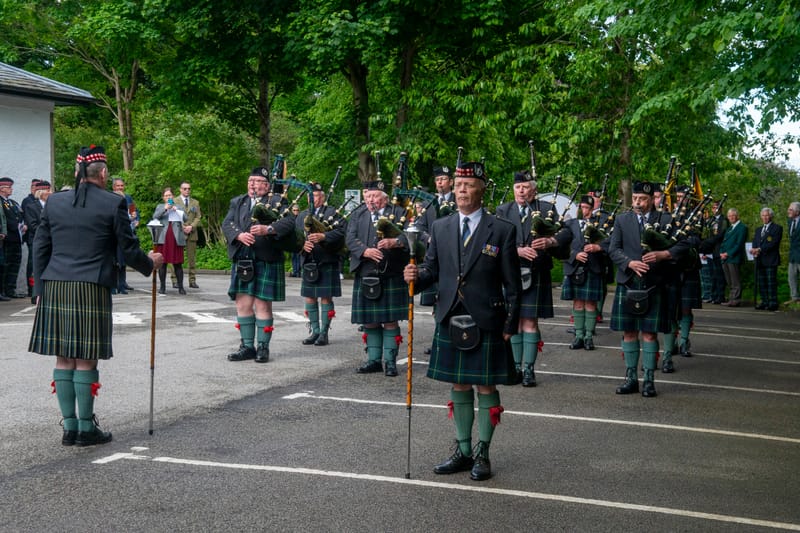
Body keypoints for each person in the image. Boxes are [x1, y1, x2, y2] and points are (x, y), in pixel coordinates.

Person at [28, 145, 163, 447]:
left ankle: (70, 427)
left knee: (63, 358)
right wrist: (150, 263)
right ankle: (86, 429)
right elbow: (128, 250)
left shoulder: (54, 202)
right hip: (91, 286)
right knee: (85, 360)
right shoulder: (113, 202)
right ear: (103, 173)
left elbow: (40, 247)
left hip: (55, 285)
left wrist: (38, 289)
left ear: (77, 172)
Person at [403, 161, 520, 481]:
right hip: (450, 315)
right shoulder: (441, 227)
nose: (461, 190)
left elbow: (513, 284)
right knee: (458, 383)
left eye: (468, 186)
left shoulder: (502, 229)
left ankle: (483, 452)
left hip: (487, 316)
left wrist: (510, 325)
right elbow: (431, 271)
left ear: (481, 190)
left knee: (485, 384)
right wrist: (415, 277)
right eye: (457, 186)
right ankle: (463, 450)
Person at [608, 181, 689, 398]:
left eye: (642, 199)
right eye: (634, 199)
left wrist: (664, 254)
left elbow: (685, 244)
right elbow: (613, 249)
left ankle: (649, 381)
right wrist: (629, 263)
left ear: (652, 199)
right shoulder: (622, 220)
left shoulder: (665, 219)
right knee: (629, 333)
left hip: (654, 283)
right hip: (629, 280)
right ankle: (631, 378)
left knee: (650, 334)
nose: (637, 203)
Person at [222, 167, 296, 363]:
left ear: (267, 185)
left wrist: (268, 229)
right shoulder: (238, 202)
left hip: (266, 258)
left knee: (263, 304)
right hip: (243, 258)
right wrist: (238, 235)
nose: (252, 184)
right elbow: (227, 223)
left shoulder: (278, 202)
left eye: (257, 181)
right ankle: (247, 346)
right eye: (250, 180)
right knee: (243, 303)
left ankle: (263, 347)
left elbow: (290, 223)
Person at [495, 171, 561, 387]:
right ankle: (514, 367)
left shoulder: (546, 209)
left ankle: (529, 369)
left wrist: (550, 242)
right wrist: (517, 251)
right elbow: (493, 243)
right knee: (514, 319)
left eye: (525, 187)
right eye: (517, 187)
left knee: (530, 321)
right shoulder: (503, 210)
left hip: (536, 271)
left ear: (534, 189)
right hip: (510, 272)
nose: (521, 191)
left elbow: (566, 234)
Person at [345, 179, 410, 377]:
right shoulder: (358, 214)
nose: (370, 200)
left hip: (391, 272)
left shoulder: (400, 213)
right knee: (370, 320)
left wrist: (396, 242)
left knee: (390, 320)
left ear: (384, 198)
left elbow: (412, 236)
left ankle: (390, 362)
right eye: (367, 196)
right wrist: (365, 251)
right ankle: (373, 360)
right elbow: (349, 239)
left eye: (374, 196)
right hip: (366, 272)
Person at [296, 182, 346, 346]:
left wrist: (324, 237)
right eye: (311, 196)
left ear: (323, 197)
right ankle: (314, 331)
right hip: (309, 261)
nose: (313, 199)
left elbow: (341, 233)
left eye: (316, 196)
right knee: (310, 297)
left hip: (327, 260)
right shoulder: (301, 215)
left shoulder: (333, 213)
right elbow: (295, 237)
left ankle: (324, 332)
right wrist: (302, 245)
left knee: (326, 297)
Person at [559, 195, 607, 351]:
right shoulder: (569, 224)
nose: (585, 211)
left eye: (588, 208)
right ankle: (578, 336)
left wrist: (597, 247)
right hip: (575, 268)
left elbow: (610, 244)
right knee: (578, 303)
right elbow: (560, 245)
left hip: (593, 268)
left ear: (593, 209)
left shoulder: (600, 225)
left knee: (591, 304)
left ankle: (588, 337)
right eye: (583, 207)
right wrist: (574, 255)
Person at [152, 187, 188, 295]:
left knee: (178, 264)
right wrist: (165, 209)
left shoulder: (179, 207)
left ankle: (181, 287)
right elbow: (155, 217)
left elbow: (185, 218)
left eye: (170, 195)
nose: (168, 197)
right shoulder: (160, 206)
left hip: (176, 239)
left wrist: (176, 210)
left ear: (173, 196)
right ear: (163, 198)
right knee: (162, 264)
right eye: (166, 196)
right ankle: (162, 287)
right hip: (163, 239)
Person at [23, 181, 52, 303]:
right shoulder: (31, 207)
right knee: (36, 267)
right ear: (41, 192)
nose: (51, 193)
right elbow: (32, 225)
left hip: (50, 240)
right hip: (36, 240)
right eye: (48, 191)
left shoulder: (52, 205)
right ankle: (34, 292)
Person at [170, 181, 202, 289]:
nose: (187, 190)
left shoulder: (195, 202)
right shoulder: (174, 201)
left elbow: (198, 217)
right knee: (176, 258)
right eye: (185, 188)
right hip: (178, 232)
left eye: (189, 189)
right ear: (180, 189)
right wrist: (183, 226)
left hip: (192, 233)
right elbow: (171, 216)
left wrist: (191, 226)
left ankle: (192, 281)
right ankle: (175, 280)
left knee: (192, 259)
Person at [111, 178, 140, 294]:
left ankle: (122, 285)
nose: (120, 188)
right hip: (113, 235)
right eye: (118, 186)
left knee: (122, 261)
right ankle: (113, 285)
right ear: (113, 187)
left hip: (125, 234)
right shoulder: (109, 197)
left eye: (122, 186)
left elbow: (134, 211)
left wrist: (136, 218)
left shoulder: (128, 198)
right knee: (113, 262)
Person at [750, 207, 782, 311]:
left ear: (771, 216)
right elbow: (755, 241)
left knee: (771, 283)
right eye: (763, 215)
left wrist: (759, 249)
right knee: (762, 283)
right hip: (760, 260)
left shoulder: (777, 228)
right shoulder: (758, 230)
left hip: (771, 260)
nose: (765, 217)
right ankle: (764, 301)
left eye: (767, 215)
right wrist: (753, 249)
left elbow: (773, 243)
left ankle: (773, 302)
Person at [0, 177, 27, 298]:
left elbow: (19, 216)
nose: (11, 189)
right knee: (6, 264)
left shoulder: (11, 203)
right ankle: (3, 290)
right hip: (7, 239)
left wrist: (23, 225)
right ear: (1, 188)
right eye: (8, 187)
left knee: (15, 264)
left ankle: (11, 290)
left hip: (16, 237)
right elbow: (7, 220)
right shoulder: (1, 202)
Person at [699, 200, 729, 304]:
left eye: (717, 207)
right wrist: (704, 249)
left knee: (719, 275)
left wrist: (708, 242)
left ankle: (720, 296)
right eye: (713, 208)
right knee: (712, 275)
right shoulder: (711, 220)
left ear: (720, 208)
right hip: (709, 250)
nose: (714, 209)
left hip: (718, 249)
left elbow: (721, 234)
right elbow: (706, 233)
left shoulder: (723, 220)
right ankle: (713, 295)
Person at [719, 208, 747, 307]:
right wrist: (721, 253)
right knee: (729, 280)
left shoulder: (742, 227)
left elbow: (739, 244)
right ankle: (731, 299)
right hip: (725, 258)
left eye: (733, 215)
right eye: (729, 216)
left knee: (735, 280)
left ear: (737, 216)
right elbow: (724, 242)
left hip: (734, 257)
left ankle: (736, 299)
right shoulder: (729, 228)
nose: (731, 217)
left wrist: (728, 253)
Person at [21, 179, 42, 297]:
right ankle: (32, 289)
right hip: (33, 238)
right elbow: (31, 223)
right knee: (33, 264)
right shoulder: (28, 202)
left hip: (42, 238)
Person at [786, 202, 800, 304]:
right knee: (791, 277)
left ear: (797, 211)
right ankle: (794, 297)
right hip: (793, 255)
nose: (788, 211)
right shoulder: (790, 221)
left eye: (790, 210)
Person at [290, 204, 302, 277]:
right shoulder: (290, 218)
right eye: (294, 210)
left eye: (297, 210)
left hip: (299, 239)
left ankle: (298, 272)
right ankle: (295, 271)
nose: (296, 211)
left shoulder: (301, 218)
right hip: (292, 239)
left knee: (299, 256)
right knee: (294, 256)